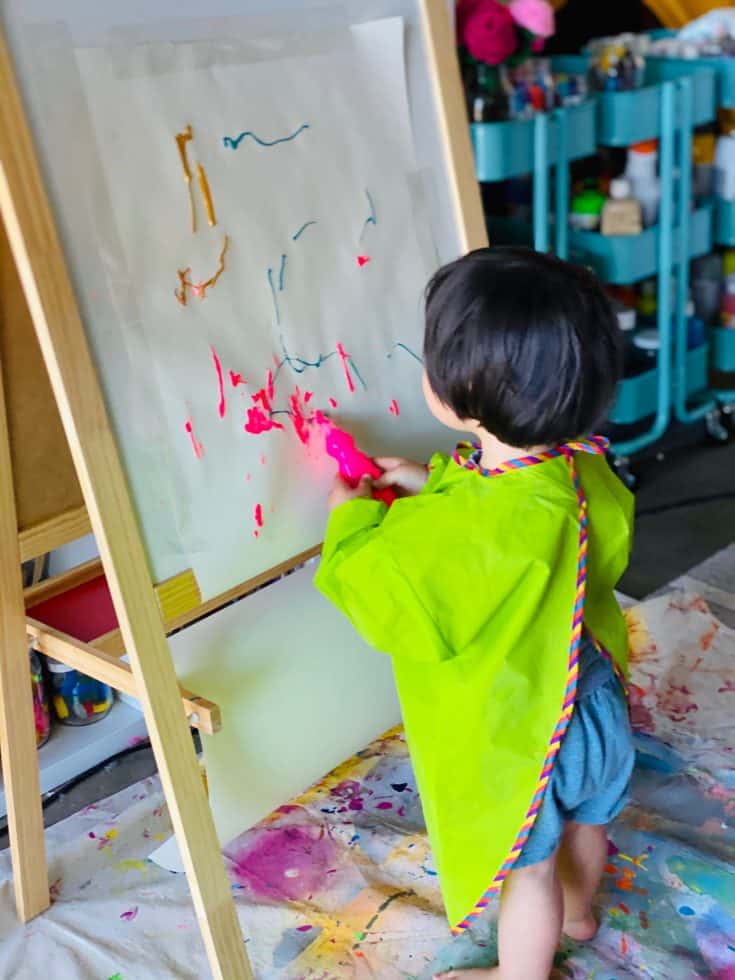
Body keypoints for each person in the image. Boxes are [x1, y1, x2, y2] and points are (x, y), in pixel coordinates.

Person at [314, 247, 635, 980]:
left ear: (456, 392)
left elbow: (393, 602)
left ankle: (519, 974)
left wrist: (349, 524)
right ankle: (581, 912)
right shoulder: (577, 465)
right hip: (594, 701)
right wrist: (431, 484)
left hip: (530, 736)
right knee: (589, 819)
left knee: (527, 872)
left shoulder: (473, 533)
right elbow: (523, 529)